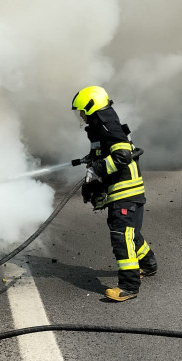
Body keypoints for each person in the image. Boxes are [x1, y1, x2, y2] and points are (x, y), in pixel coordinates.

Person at [71, 86, 157, 301]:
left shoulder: (108, 126)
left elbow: (122, 156)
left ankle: (129, 286)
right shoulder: (101, 127)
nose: (81, 116)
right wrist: (92, 160)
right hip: (126, 191)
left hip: (125, 191)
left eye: (83, 111)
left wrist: (97, 169)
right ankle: (148, 264)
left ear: (92, 107)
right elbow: (105, 152)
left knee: (121, 236)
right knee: (130, 233)